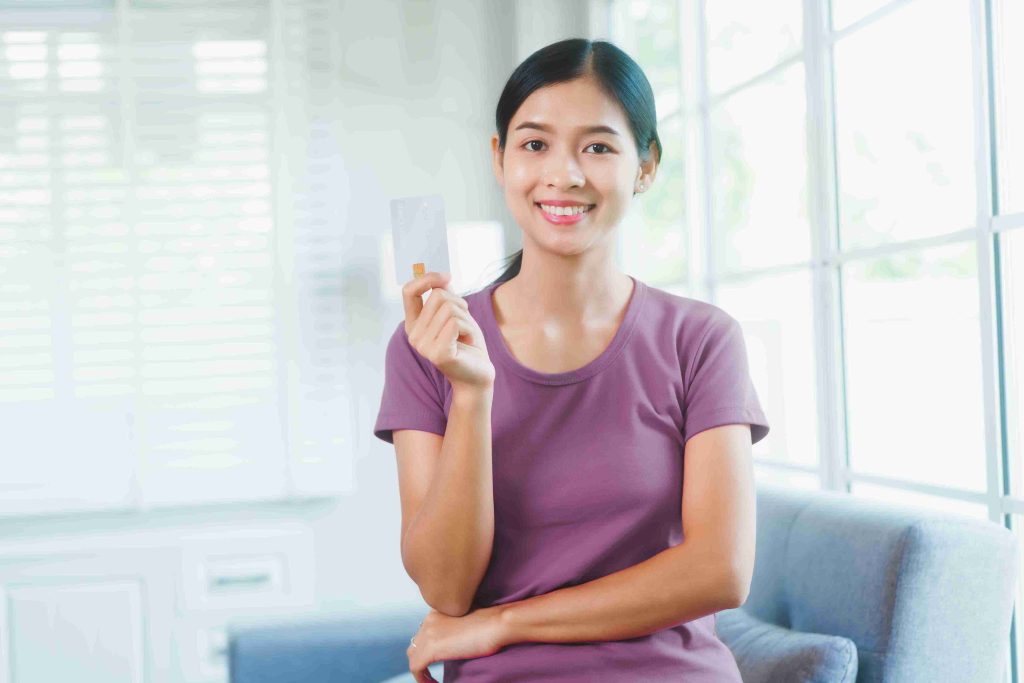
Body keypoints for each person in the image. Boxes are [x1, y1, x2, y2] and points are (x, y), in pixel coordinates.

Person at [374, 37, 770, 683]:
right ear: (500, 158)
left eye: (599, 146)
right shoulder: (426, 347)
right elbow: (446, 589)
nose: (565, 174)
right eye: (535, 144)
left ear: (646, 166)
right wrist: (472, 395)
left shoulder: (702, 340)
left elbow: (721, 569)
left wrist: (504, 621)